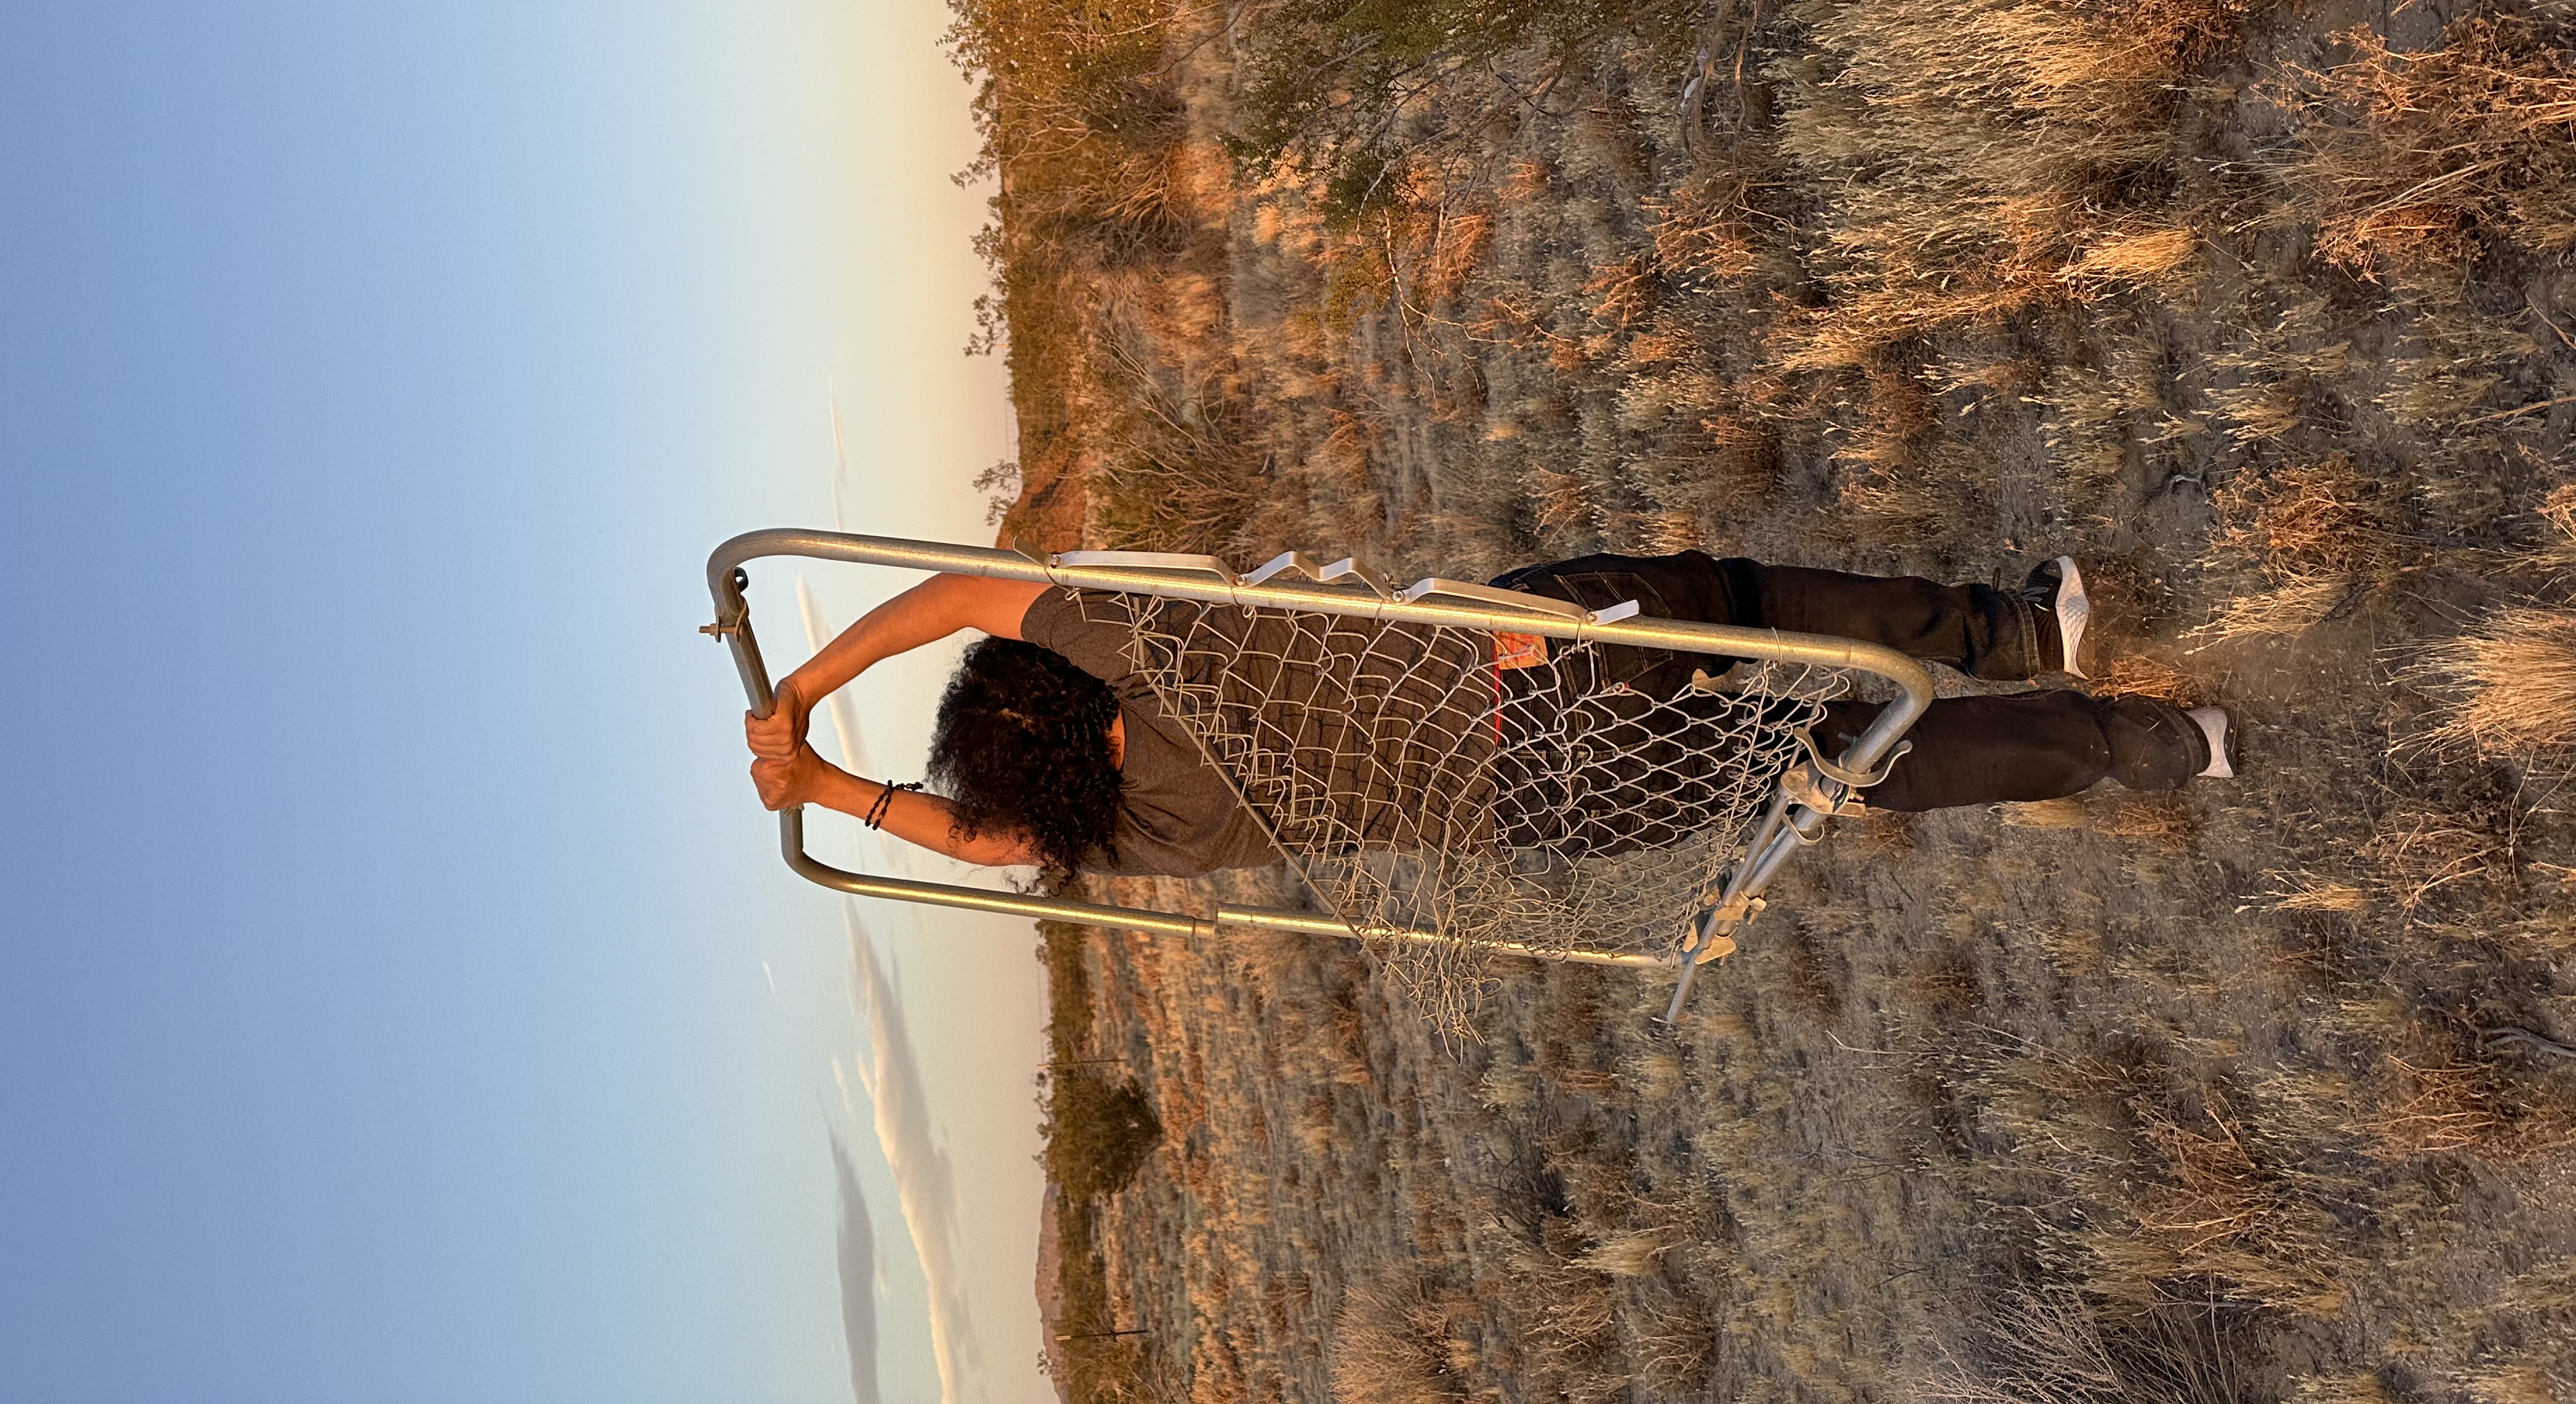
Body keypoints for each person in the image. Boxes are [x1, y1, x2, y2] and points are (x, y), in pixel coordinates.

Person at [740, 549, 2237, 880]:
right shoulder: (1144, 652)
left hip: (1555, 812)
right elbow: (959, 591)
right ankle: (2019, 625)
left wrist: (827, 795)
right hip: (1537, 672)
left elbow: (995, 847)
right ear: (1052, 696)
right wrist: (809, 691)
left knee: (1838, 764)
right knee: (1747, 606)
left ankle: (2158, 747)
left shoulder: (1137, 838)